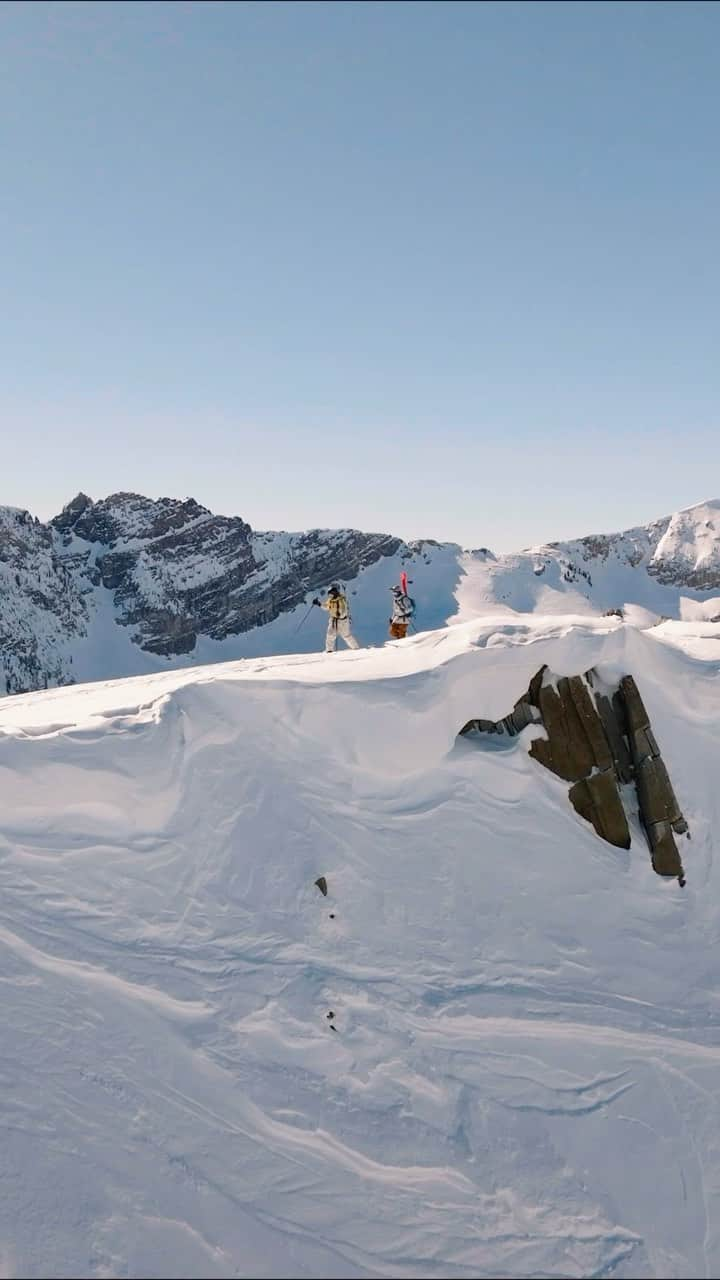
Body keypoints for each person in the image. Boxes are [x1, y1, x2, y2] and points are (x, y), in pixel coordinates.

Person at [312, 585, 360, 652]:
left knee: (346, 636)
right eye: (329, 595)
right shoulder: (331, 600)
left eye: (331, 595)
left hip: (343, 621)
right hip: (333, 620)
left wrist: (340, 615)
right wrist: (319, 604)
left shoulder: (341, 600)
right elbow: (327, 607)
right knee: (330, 634)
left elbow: (345, 611)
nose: (330, 596)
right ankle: (329, 650)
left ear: (335, 593)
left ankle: (356, 649)